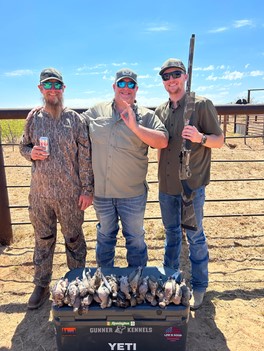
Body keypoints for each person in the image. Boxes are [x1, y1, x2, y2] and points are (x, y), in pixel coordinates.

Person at [20, 68, 94, 309]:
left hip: (70, 195)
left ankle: (78, 282)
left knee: (74, 239)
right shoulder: (34, 118)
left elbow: (85, 158)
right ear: (41, 89)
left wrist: (87, 189)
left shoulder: (75, 119)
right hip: (40, 195)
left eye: (57, 85)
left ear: (63, 89)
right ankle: (41, 284)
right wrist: (31, 153)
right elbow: (23, 147)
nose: (53, 90)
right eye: (47, 85)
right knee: (43, 240)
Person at [155, 58, 224, 310]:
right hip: (167, 186)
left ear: (184, 76)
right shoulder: (162, 110)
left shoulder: (201, 104)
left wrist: (199, 137)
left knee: (195, 236)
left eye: (175, 74)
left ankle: (199, 285)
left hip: (192, 186)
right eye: (166, 76)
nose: (171, 79)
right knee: (171, 236)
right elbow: (162, 147)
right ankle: (170, 283)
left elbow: (219, 140)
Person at [81, 68, 169, 268]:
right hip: (102, 193)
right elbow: (74, 125)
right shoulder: (96, 111)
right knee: (104, 237)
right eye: (121, 83)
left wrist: (135, 128)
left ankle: (137, 282)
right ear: (114, 87)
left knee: (136, 239)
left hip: (132, 194)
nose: (126, 88)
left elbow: (163, 141)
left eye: (131, 84)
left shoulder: (146, 116)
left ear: (136, 89)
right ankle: (105, 281)